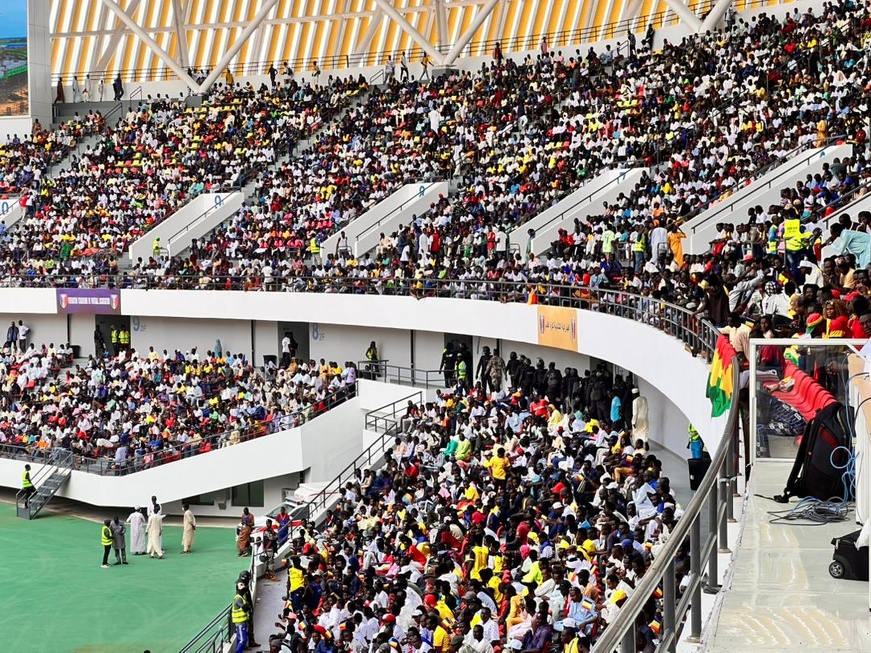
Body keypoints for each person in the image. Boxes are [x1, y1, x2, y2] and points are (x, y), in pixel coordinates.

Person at [233, 579, 252, 653]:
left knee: (239, 638)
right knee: (243, 639)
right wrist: (247, 606)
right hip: (240, 622)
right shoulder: (238, 598)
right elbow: (245, 608)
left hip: (242, 621)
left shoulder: (241, 597)